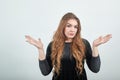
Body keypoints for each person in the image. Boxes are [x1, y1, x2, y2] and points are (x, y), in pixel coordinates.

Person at [25, 12, 112, 80]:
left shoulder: (84, 43)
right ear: (62, 27)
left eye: (75, 27)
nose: (72, 30)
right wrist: (40, 49)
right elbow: (45, 72)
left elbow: (95, 69)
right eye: (69, 26)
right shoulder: (53, 45)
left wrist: (95, 47)